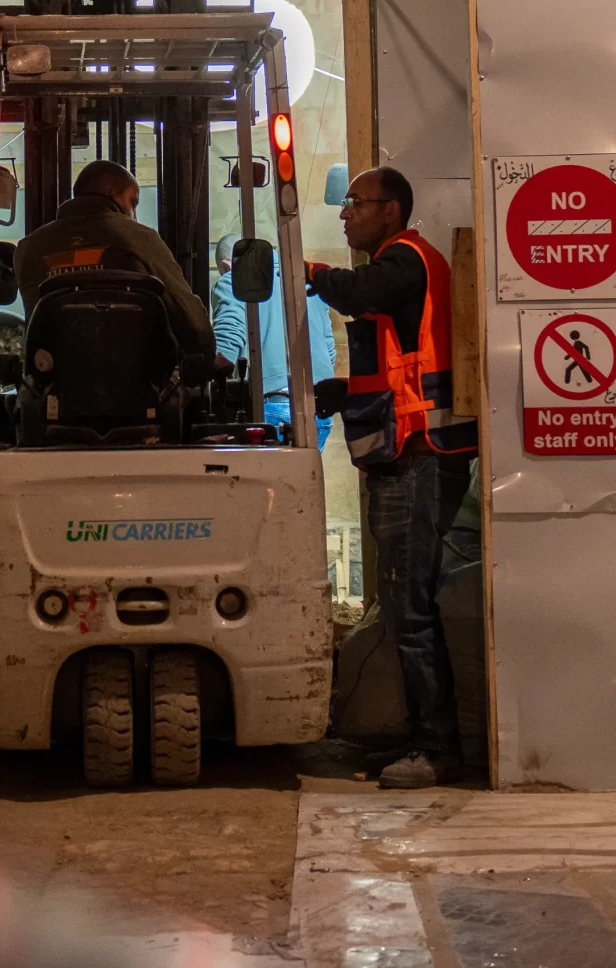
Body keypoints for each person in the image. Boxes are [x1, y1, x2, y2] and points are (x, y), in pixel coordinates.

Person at [307, 166, 476, 790]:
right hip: (406, 455)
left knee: (410, 606)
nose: (346, 213)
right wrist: (343, 390)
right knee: (406, 605)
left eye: (356, 203)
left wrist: (313, 274)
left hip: (422, 456)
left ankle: (436, 750)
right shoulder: (402, 269)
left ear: (392, 209)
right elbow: (398, 373)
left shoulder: (407, 259)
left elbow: (356, 292)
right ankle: (419, 741)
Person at [11, 159, 214, 354]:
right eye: (133, 203)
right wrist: (204, 357)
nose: (134, 215)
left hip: (52, 380)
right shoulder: (140, 238)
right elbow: (192, 322)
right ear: (112, 194)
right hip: (138, 380)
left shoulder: (28, 249)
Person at [211, 232, 337, 444]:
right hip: (318, 406)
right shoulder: (303, 281)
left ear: (228, 264)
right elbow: (329, 348)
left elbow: (228, 336)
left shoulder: (234, 280)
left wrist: (210, 370)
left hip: (273, 406)